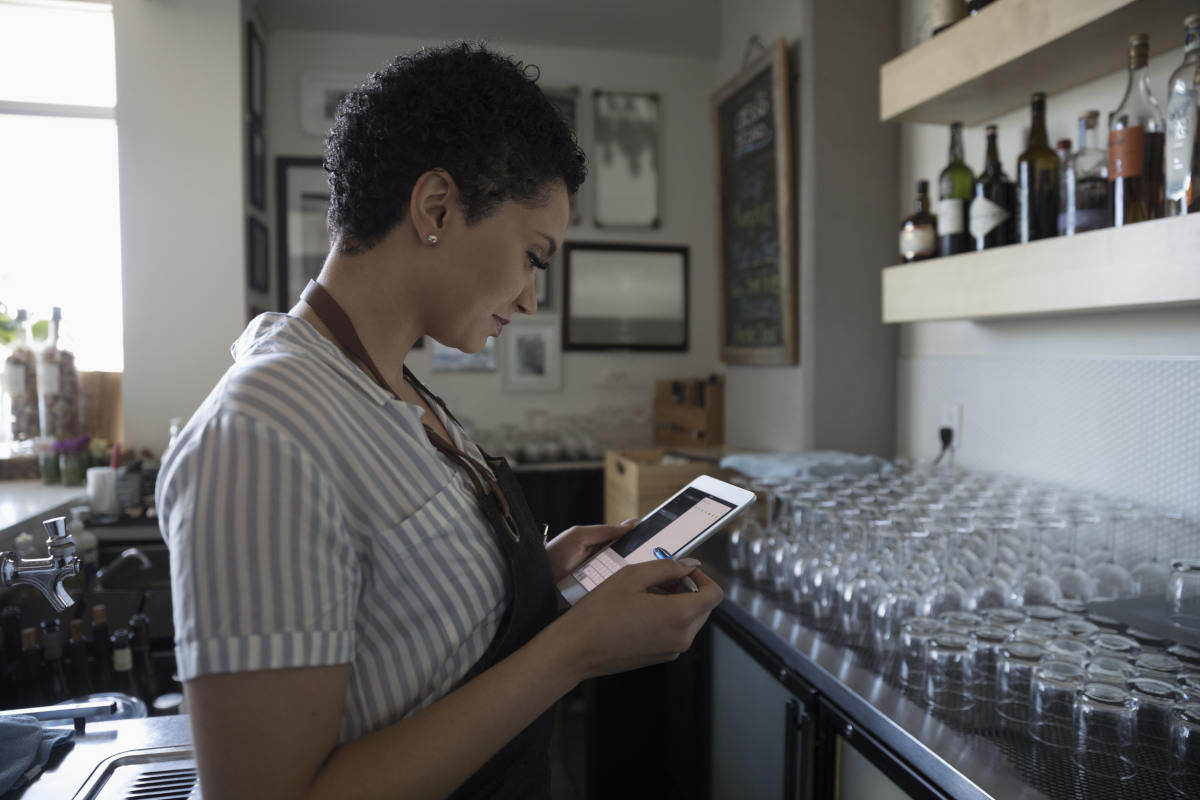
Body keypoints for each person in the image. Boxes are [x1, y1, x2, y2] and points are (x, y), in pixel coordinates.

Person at [156, 41, 722, 799]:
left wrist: (540, 577)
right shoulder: (260, 437)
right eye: (533, 256)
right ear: (436, 209)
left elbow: (400, 626)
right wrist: (573, 652)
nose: (531, 298)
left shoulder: (392, 387)